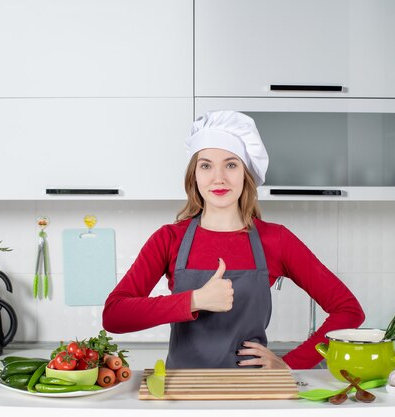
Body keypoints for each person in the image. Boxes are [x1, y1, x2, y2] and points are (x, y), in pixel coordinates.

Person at [102, 110, 364, 369]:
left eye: (230, 164)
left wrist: (291, 364)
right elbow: (115, 315)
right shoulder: (169, 239)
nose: (219, 178)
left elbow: (349, 310)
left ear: (245, 174)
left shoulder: (276, 239)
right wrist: (194, 301)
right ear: (194, 174)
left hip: (251, 392)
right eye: (206, 165)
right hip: (183, 393)